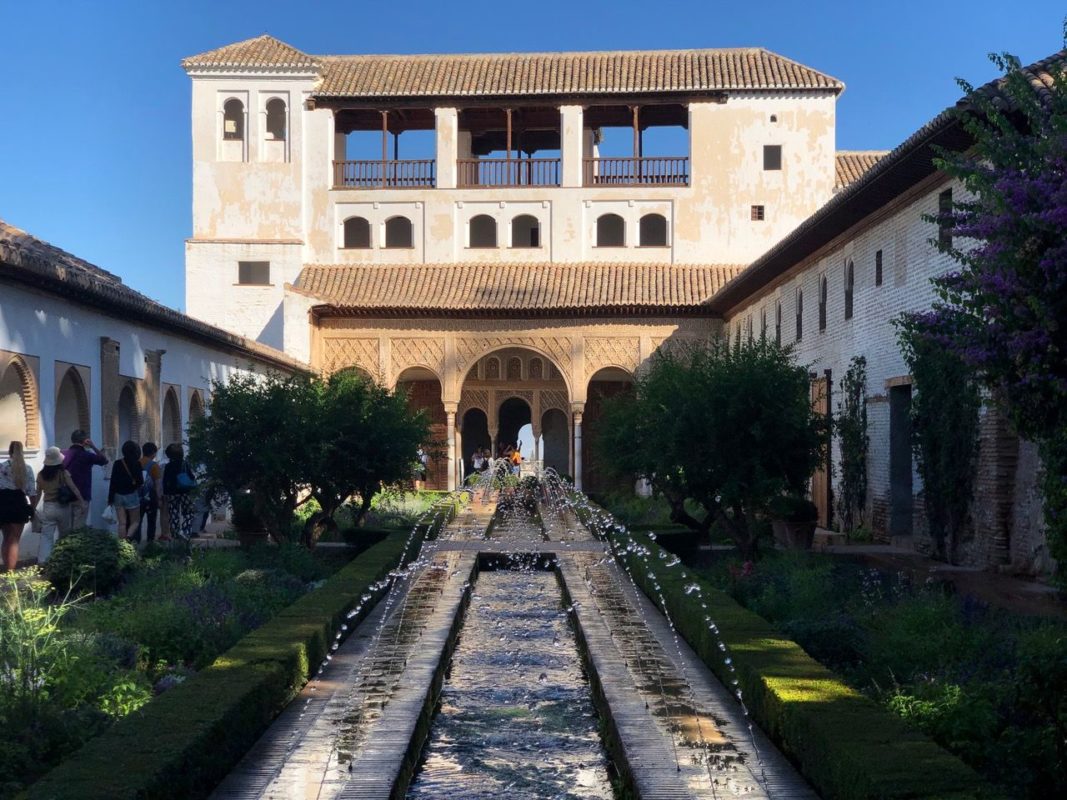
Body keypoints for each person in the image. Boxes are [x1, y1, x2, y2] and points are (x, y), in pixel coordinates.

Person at [34, 446, 83, 563]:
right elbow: (73, 488)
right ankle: (63, 560)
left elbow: (38, 493)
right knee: (64, 534)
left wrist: (33, 507)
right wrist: (81, 501)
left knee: (46, 536)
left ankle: (43, 562)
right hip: (63, 506)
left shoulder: (41, 475)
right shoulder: (63, 473)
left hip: (48, 507)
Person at [0, 441, 36, 571]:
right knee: (14, 540)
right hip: (18, 502)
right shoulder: (26, 468)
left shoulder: (1, 467)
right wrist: (32, 508)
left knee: (6, 537)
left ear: (9, 451)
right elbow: (32, 492)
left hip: (2, 502)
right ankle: (11, 571)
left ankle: (6, 567)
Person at [63, 429, 107, 529]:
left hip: (65, 495)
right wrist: (93, 446)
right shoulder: (87, 455)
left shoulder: (63, 454)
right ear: (85, 441)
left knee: (67, 528)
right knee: (78, 528)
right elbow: (104, 460)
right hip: (82, 495)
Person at [108, 441, 144, 541]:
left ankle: (122, 543)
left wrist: (110, 498)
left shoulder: (117, 463)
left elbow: (113, 481)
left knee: (122, 523)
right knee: (135, 521)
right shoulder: (137, 464)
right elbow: (140, 481)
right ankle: (128, 537)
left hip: (118, 495)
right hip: (131, 494)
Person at [162, 443, 196, 540]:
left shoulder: (168, 466)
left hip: (172, 493)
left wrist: (165, 493)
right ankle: (185, 531)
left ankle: (175, 534)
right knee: (189, 512)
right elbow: (192, 476)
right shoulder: (185, 463)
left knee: (173, 514)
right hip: (185, 491)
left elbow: (165, 481)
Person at [138, 442, 167, 543]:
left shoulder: (137, 463)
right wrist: (160, 498)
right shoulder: (154, 466)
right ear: (153, 453)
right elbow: (158, 484)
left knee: (138, 521)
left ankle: (136, 542)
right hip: (151, 497)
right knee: (152, 521)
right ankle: (150, 543)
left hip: (138, 498)